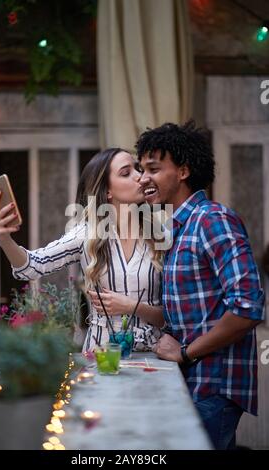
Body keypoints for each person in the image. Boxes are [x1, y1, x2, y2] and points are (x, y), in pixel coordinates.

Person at [136, 120, 265, 450]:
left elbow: (248, 308)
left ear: (182, 171)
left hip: (214, 384)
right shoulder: (180, 228)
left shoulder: (211, 218)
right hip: (195, 382)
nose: (142, 178)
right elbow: (188, 312)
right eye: (140, 169)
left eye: (153, 168)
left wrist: (184, 353)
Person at [0, 148, 164, 352]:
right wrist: (4, 238)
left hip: (154, 356)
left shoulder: (160, 232)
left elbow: (173, 315)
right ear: (107, 191)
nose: (141, 177)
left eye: (138, 169)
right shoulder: (86, 234)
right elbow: (32, 266)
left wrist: (130, 306)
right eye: (126, 173)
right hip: (101, 357)